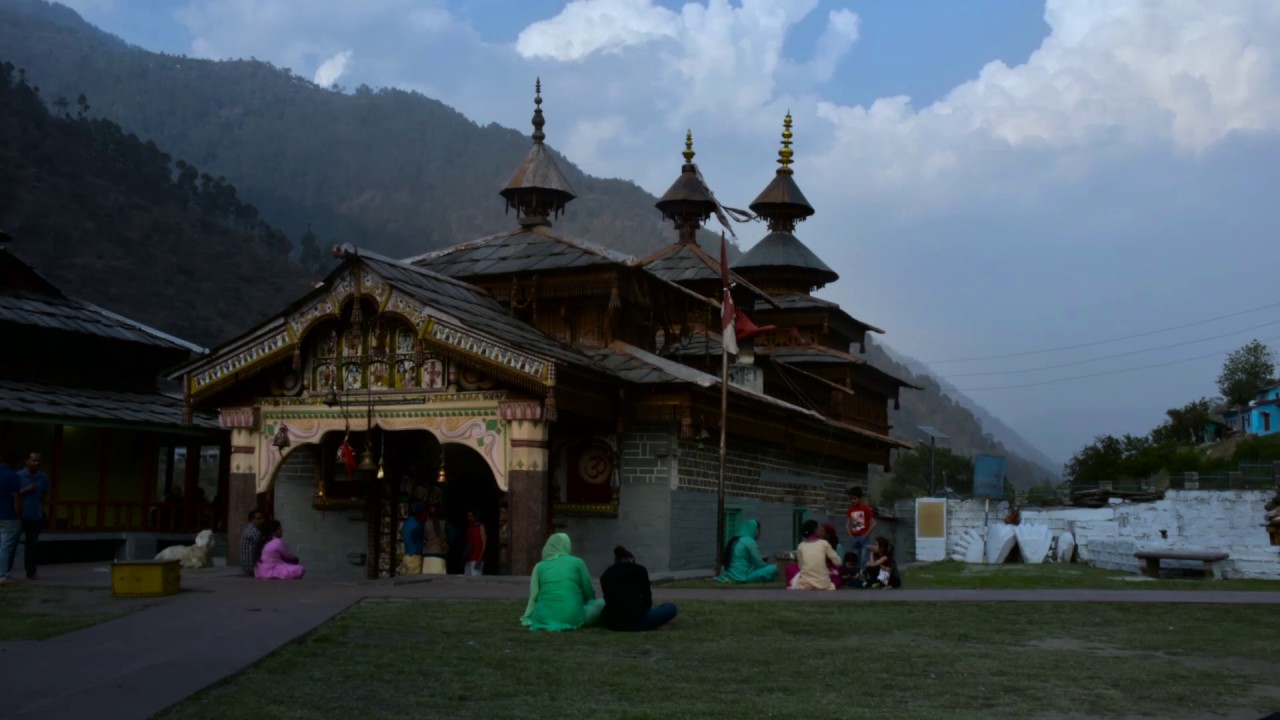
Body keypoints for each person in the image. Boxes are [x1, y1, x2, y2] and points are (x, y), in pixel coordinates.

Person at [520, 533, 604, 631]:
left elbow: (535, 596)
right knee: (602, 603)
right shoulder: (577, 562)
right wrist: (588, 603)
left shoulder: (539, 566)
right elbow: (588, 591)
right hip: (573, 617)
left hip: (543, 617)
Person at [600, 545, 677, 632]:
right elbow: (647, 599)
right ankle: (650, 625)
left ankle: (643, 625)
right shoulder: (640, 570)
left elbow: (608, 598)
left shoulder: (606, 574)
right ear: (632, 559)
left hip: (612, 622)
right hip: (635, 618)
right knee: (670, 607)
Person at [13, 452, 49, 580]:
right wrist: (26, 490)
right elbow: (12, 494)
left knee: (32, 545)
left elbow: (44, 494)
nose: (36, 463)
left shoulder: (43, 477)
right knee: (11, 544)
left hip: (35, 516)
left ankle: (31, 571)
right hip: (18, 515)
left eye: (38, 461)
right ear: (27, 461)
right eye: (33, 460)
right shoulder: (18, 476)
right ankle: (4, 572)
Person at [713, 518, 778, 584]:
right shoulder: (749, 541)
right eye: (759, 530)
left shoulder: (735, 540)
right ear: (754, 529)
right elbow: (759, 563)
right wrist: (767, 567)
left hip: (730, 575)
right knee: (774, 567)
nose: (760, 533)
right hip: (742, 577)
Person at [788, 519, 840, 591]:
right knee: (836, 574)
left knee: (791, 568)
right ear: (815, 530)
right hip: (823, 583)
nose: (820, 530)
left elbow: (801, 566)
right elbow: (838, 562)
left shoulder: (801, 546)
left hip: (805, 583)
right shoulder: (824, 543)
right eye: (819, 528)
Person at [0, 452, 22, 586]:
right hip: (8, 515)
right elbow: (16, 497)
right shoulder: (13, 476)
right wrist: (18, 514)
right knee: (5, 546)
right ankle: (2, 575)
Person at [845, 487, 876, 573]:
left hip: (863, 538)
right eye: (851, 499)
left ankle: (864, 575)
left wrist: (866, 534)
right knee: (855, 559)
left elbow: (874, 523)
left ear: (860, 498)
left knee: (864, 559)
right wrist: (850, 534)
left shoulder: (865, 508)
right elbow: (848, 524)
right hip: (854, 538)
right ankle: (856, 575)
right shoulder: (851, 510)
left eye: (854, 498)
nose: (852, 501)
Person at [422, 503, 448, 575]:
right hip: (440, 556)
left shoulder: (426, 524)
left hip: (428, 557)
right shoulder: (445, 524)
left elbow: (421, 536)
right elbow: (453, 535)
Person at [401, 503, 426, 574]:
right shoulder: (417, 525)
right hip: (414, 558)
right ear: (420, 513)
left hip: (407, 557)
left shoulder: (407, 523)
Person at [239, 509, 265, 577]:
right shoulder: (253, 531)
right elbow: (264, 548)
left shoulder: (249, 529)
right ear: (252, 520)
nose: (262, 520)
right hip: (252, 568)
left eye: (262, 518)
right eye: (259, 518)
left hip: (246, 568)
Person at [821, 522, 845, 588]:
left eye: (822, 531)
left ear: (828, 534)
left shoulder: (838, 546)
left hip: (833, 570)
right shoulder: (819, 546)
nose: (820, 533)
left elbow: (839, 564)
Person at [463, 510, 486, 576]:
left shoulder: (481, 527)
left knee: (475, 580)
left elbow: (484, 544)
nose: (469, 518)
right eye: (468, 516)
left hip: (477, 559)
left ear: (475, 517)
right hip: (468, 559)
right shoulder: (469, 528)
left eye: (470, 516)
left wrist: (479, 560)